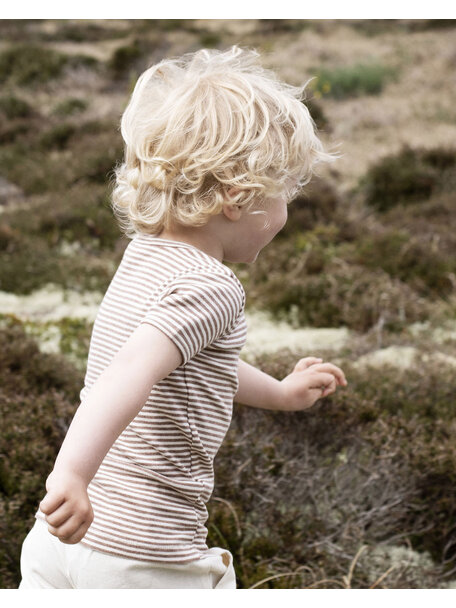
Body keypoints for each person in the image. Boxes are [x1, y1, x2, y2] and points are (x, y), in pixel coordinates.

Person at [18, 45, 347, 589]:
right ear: (238, 199)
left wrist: (283, 393)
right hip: (142, 553)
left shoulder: (146, 254)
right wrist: (71, 474)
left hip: (57, 541)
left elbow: (187, 363)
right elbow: (132, 373)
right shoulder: (212, 286)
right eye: (286, 193)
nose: (287, 212)